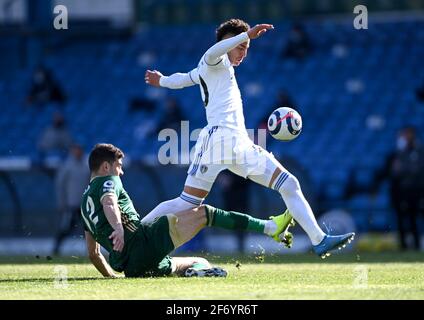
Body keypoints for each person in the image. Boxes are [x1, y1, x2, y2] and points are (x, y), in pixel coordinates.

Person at [144, 18, 354, 258]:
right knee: (187, 202)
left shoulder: (215, 70)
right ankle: (136, 230)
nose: (244, 53)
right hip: (220, 139)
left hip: (237, 144)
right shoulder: (214, 61)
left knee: (288, 184)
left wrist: (161, 80)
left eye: (246, 48)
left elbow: (182, 79)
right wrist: (247, 35)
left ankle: (319, 240)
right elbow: (212, 52)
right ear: (228, 41)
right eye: (241, 47)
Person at [81, 143, 294, 278]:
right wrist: (118, 228)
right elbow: (109, 201)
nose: (122, 171)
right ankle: (269, 227)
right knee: (205, 213)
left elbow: (94, 253)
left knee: (198, 261)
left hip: (132, 268)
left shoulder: (84, 207)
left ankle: (196, 271)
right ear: (106, 167)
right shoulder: (108, 181)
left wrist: (111, 276)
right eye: (119, 166)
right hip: (142, 243)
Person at [371, 126, 424, 250]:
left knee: (414, 219)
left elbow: (417, 171)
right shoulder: (394, 154)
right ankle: (403, 246)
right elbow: (386, 172)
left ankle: (416, 245)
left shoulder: (419, 152)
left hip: (415, 192)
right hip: (398, 193)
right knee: (400, 220)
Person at [53, 144, 90, 255]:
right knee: (66, 227)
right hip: (72, 204)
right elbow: (60, 185)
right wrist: (62, 202)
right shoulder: (67, 166)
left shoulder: (87, 165)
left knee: (88, 229)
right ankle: (56, 248)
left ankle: (91, 250)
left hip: (85, 204)